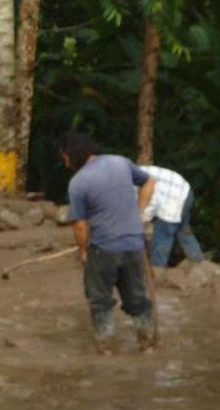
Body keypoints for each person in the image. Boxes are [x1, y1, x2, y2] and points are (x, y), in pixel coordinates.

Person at [59, 132, 157, 353]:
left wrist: (83, 251)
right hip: (133, 244)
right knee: (139, 298)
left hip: (103, 249)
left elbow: (80, 225)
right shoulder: (120, 162)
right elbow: (149, 182)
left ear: (72, 155)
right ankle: (148, 343)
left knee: (100, 300)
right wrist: (138, 213)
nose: (65, 164)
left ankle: (106, 349)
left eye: (65, 159)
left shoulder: (78, 182)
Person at [140, 165, 205, 269]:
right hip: (184, 191)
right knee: (184, 232)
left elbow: (153, 202)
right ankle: (200, 264)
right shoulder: (125, 175)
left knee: (162, 236)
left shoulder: (127, 185)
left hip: (173, 197)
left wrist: (141, 220)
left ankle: (157, 272)